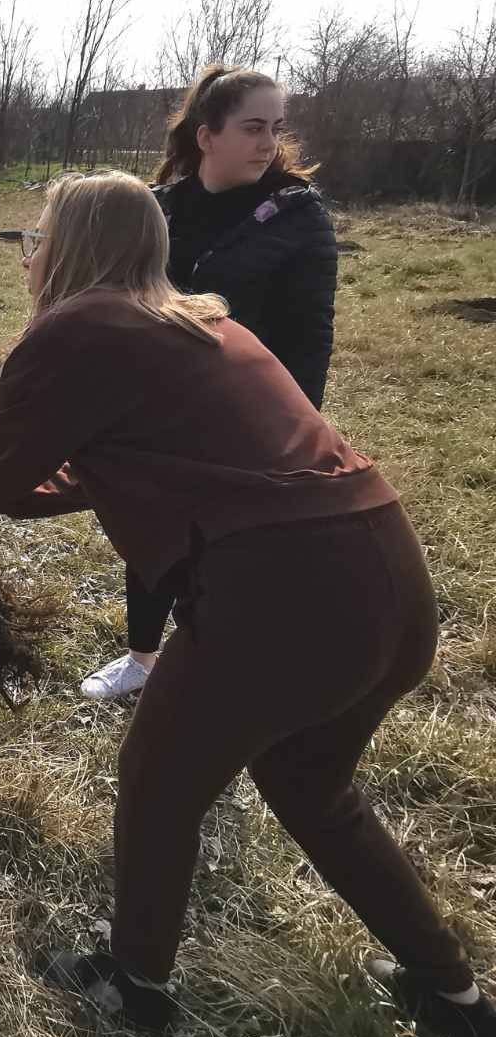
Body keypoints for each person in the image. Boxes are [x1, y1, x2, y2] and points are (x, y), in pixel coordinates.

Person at [0, 172, 495, 1037]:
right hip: (388, 577)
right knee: (314, 789)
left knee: (158, 777)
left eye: (36, 234)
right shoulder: (204, 323)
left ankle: (136, 981)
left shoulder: (72, 330)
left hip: (284, 597)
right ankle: (456, 993)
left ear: (71, 246)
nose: (28, 252)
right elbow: (88, 472)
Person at [82, 64, 340, 701]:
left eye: (276, 129)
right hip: (156, 405)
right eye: (253, 127)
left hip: (249, 413)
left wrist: (294, 423)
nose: (267, 143)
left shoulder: (296, 216)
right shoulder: (158, 209)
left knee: (229, 549)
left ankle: (214, 667)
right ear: (207, 135)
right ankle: (142, 658)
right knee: (150, 529)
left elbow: (312, 329)